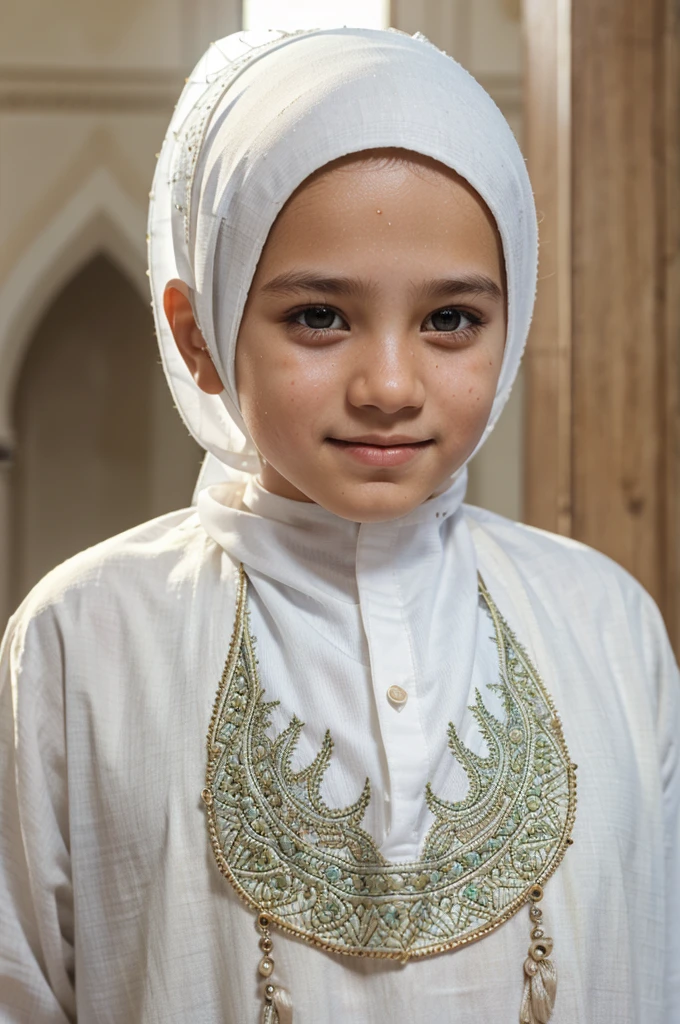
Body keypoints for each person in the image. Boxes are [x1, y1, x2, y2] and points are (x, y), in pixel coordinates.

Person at [0, 26, 678, 1024]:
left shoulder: (603, 625)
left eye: (450, 319)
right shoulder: (84, 638)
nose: (390, 386)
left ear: (514, 317)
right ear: (199, 334)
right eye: (320, 316)